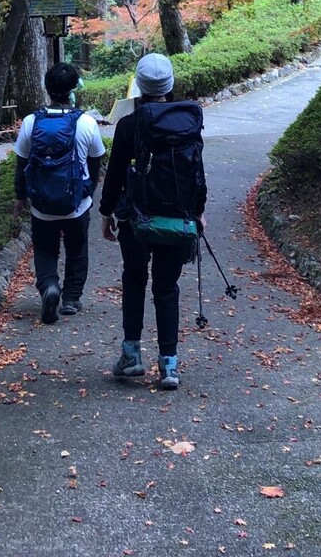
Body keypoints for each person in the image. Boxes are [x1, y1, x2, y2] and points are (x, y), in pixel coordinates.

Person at [98, 52, 207, 391]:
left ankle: (131, 356)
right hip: (178, 217)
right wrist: (198, 211)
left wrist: (106, 213)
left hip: (136, 217)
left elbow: (115, 173)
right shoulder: (188, 120)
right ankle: (169, 364)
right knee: (167, 286)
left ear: (139, 87)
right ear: (169, 85)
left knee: (134, 278)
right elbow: (197, 171)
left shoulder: (130, 124)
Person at [13, 61, 105, 323]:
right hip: (77, 203)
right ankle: (72, 299)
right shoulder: (86, 122)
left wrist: (20, 197)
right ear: (74, 88)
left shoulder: (32, 122)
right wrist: (89, 191)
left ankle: (49, 286)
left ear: (47, 88)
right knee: (77, 248)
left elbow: (22, 164)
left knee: (44, 250)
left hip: (42, 205)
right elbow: (96, 160)